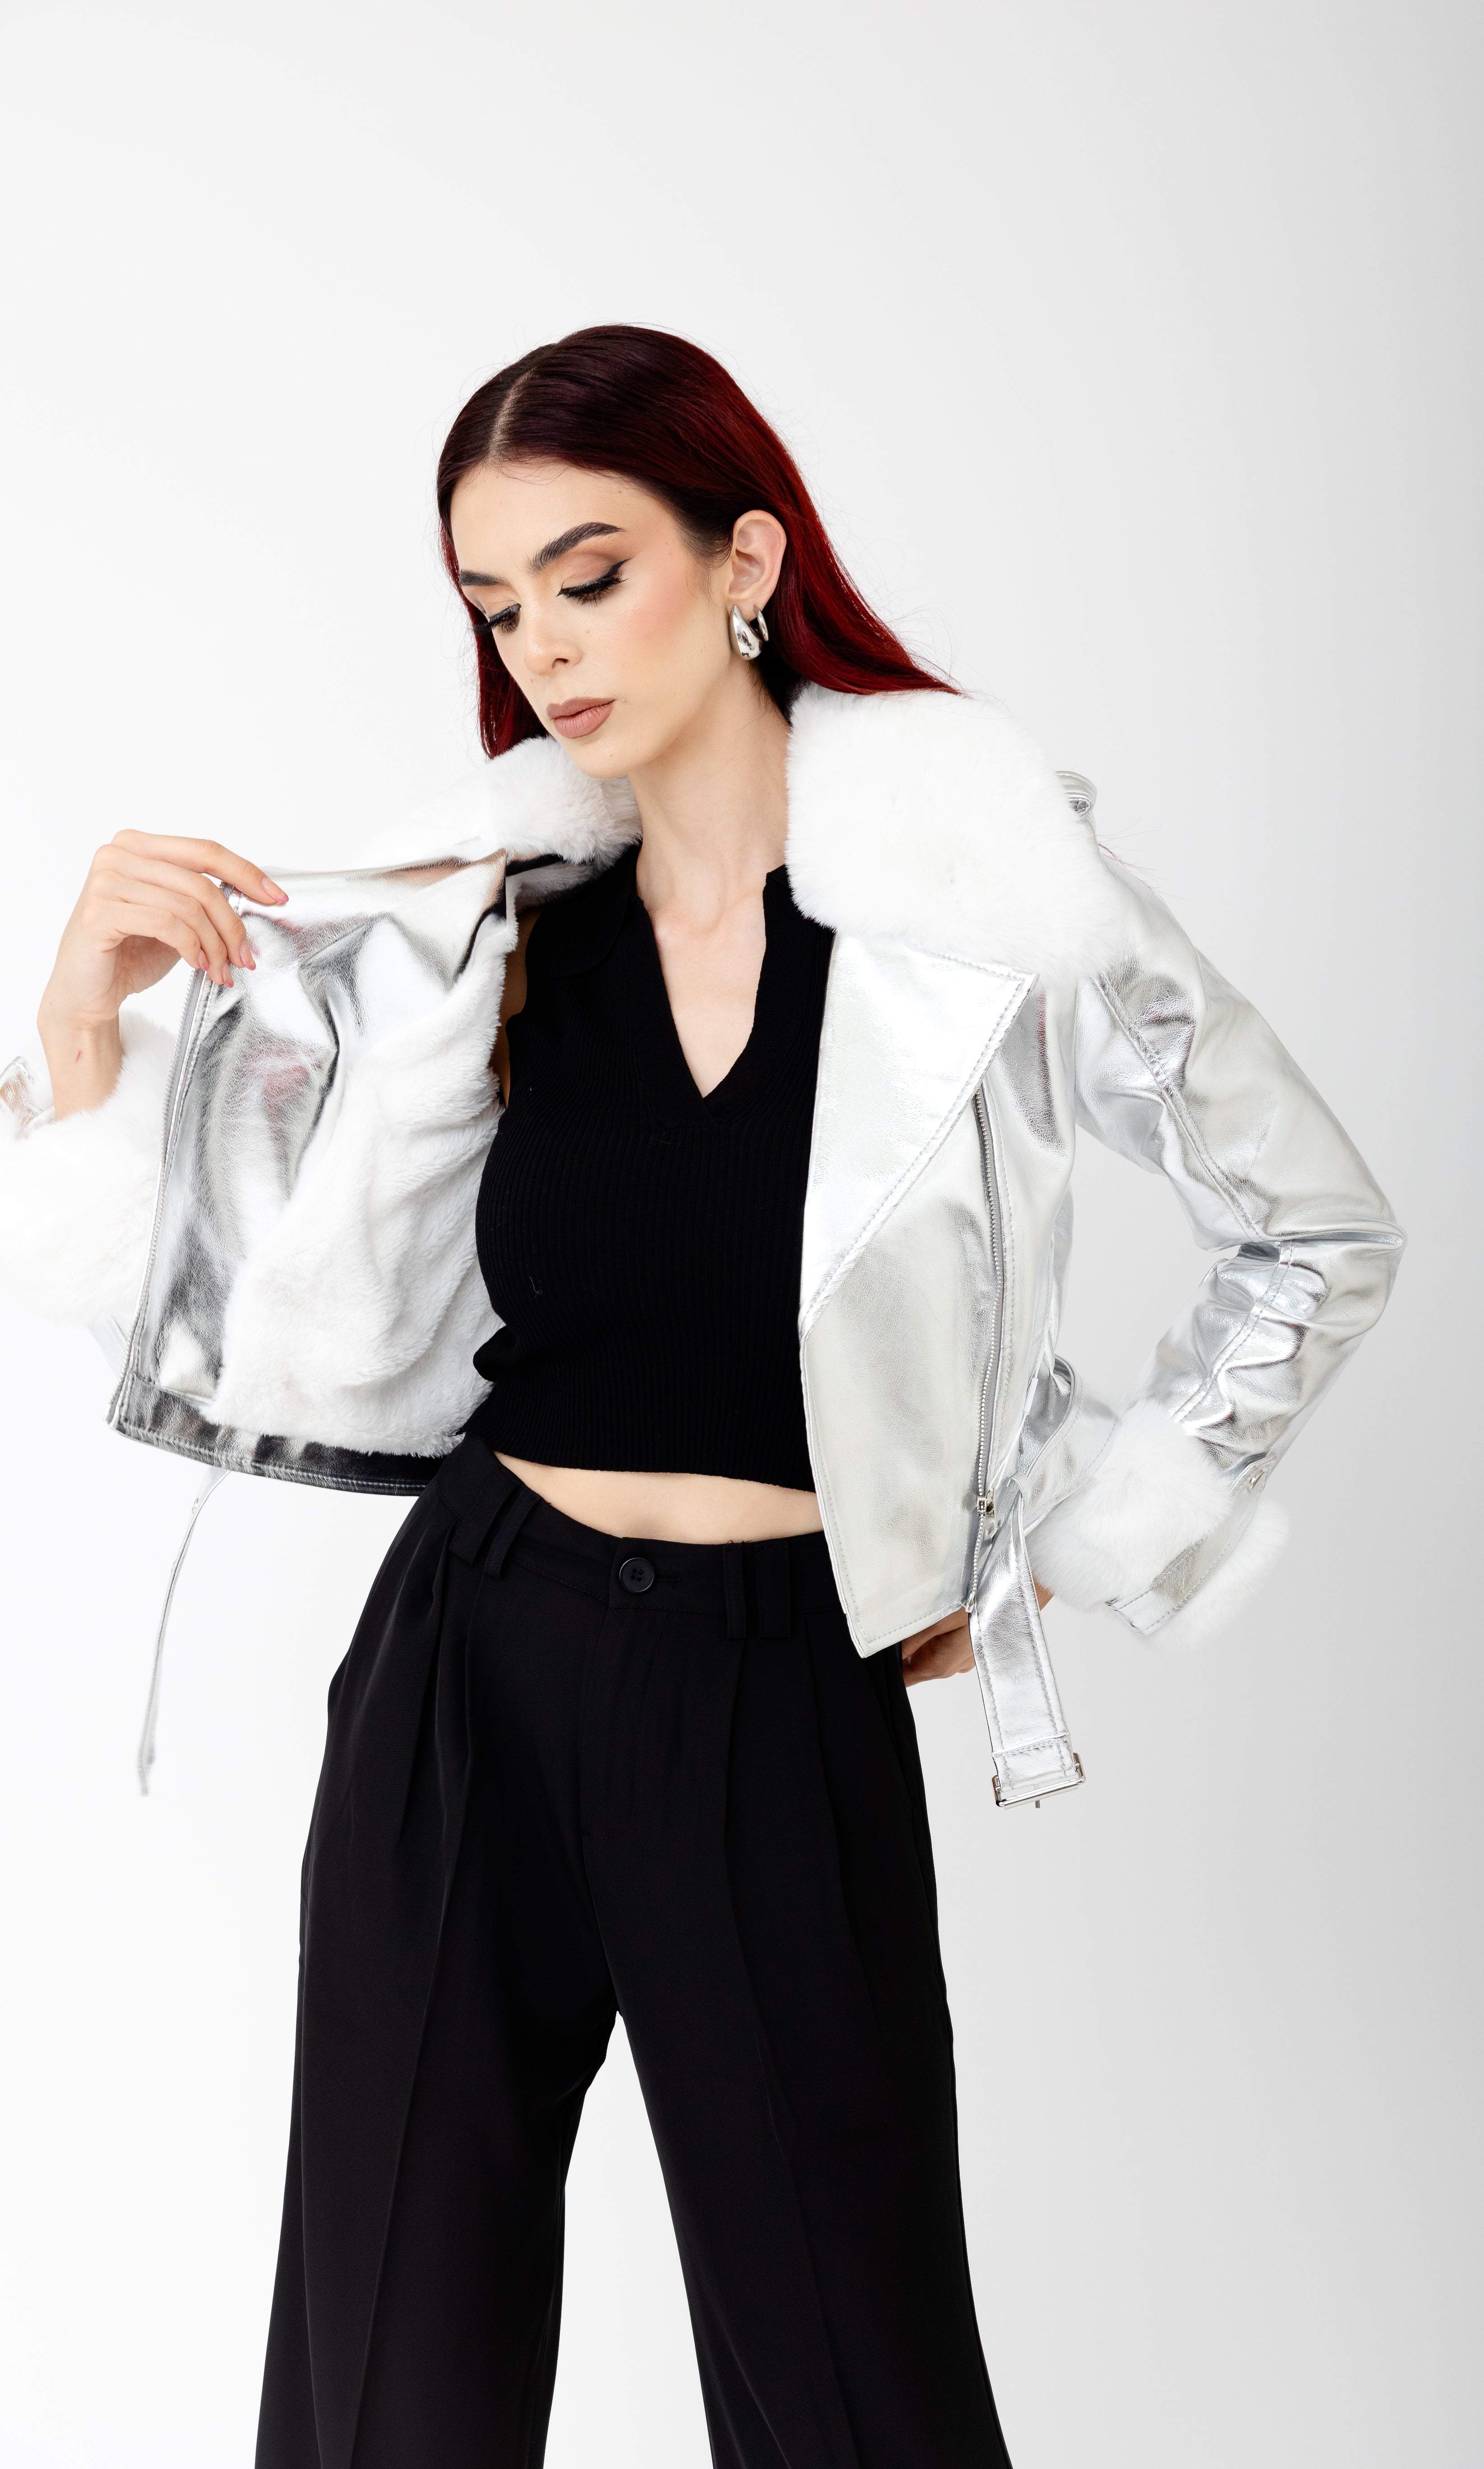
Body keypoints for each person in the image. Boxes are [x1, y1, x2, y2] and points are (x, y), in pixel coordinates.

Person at [1, 326, 1404, 2468]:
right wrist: (79, 1035)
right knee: (389, 2379)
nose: (545, 647)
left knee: (857, 2391)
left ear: (746, 560)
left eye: (590, 576)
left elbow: (1314, 1224)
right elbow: (245, 1301)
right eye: (497, 606)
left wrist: (1067, 1529)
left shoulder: (977, 905)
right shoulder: (485, 931)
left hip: (774, 1687)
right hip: (471, 1660)